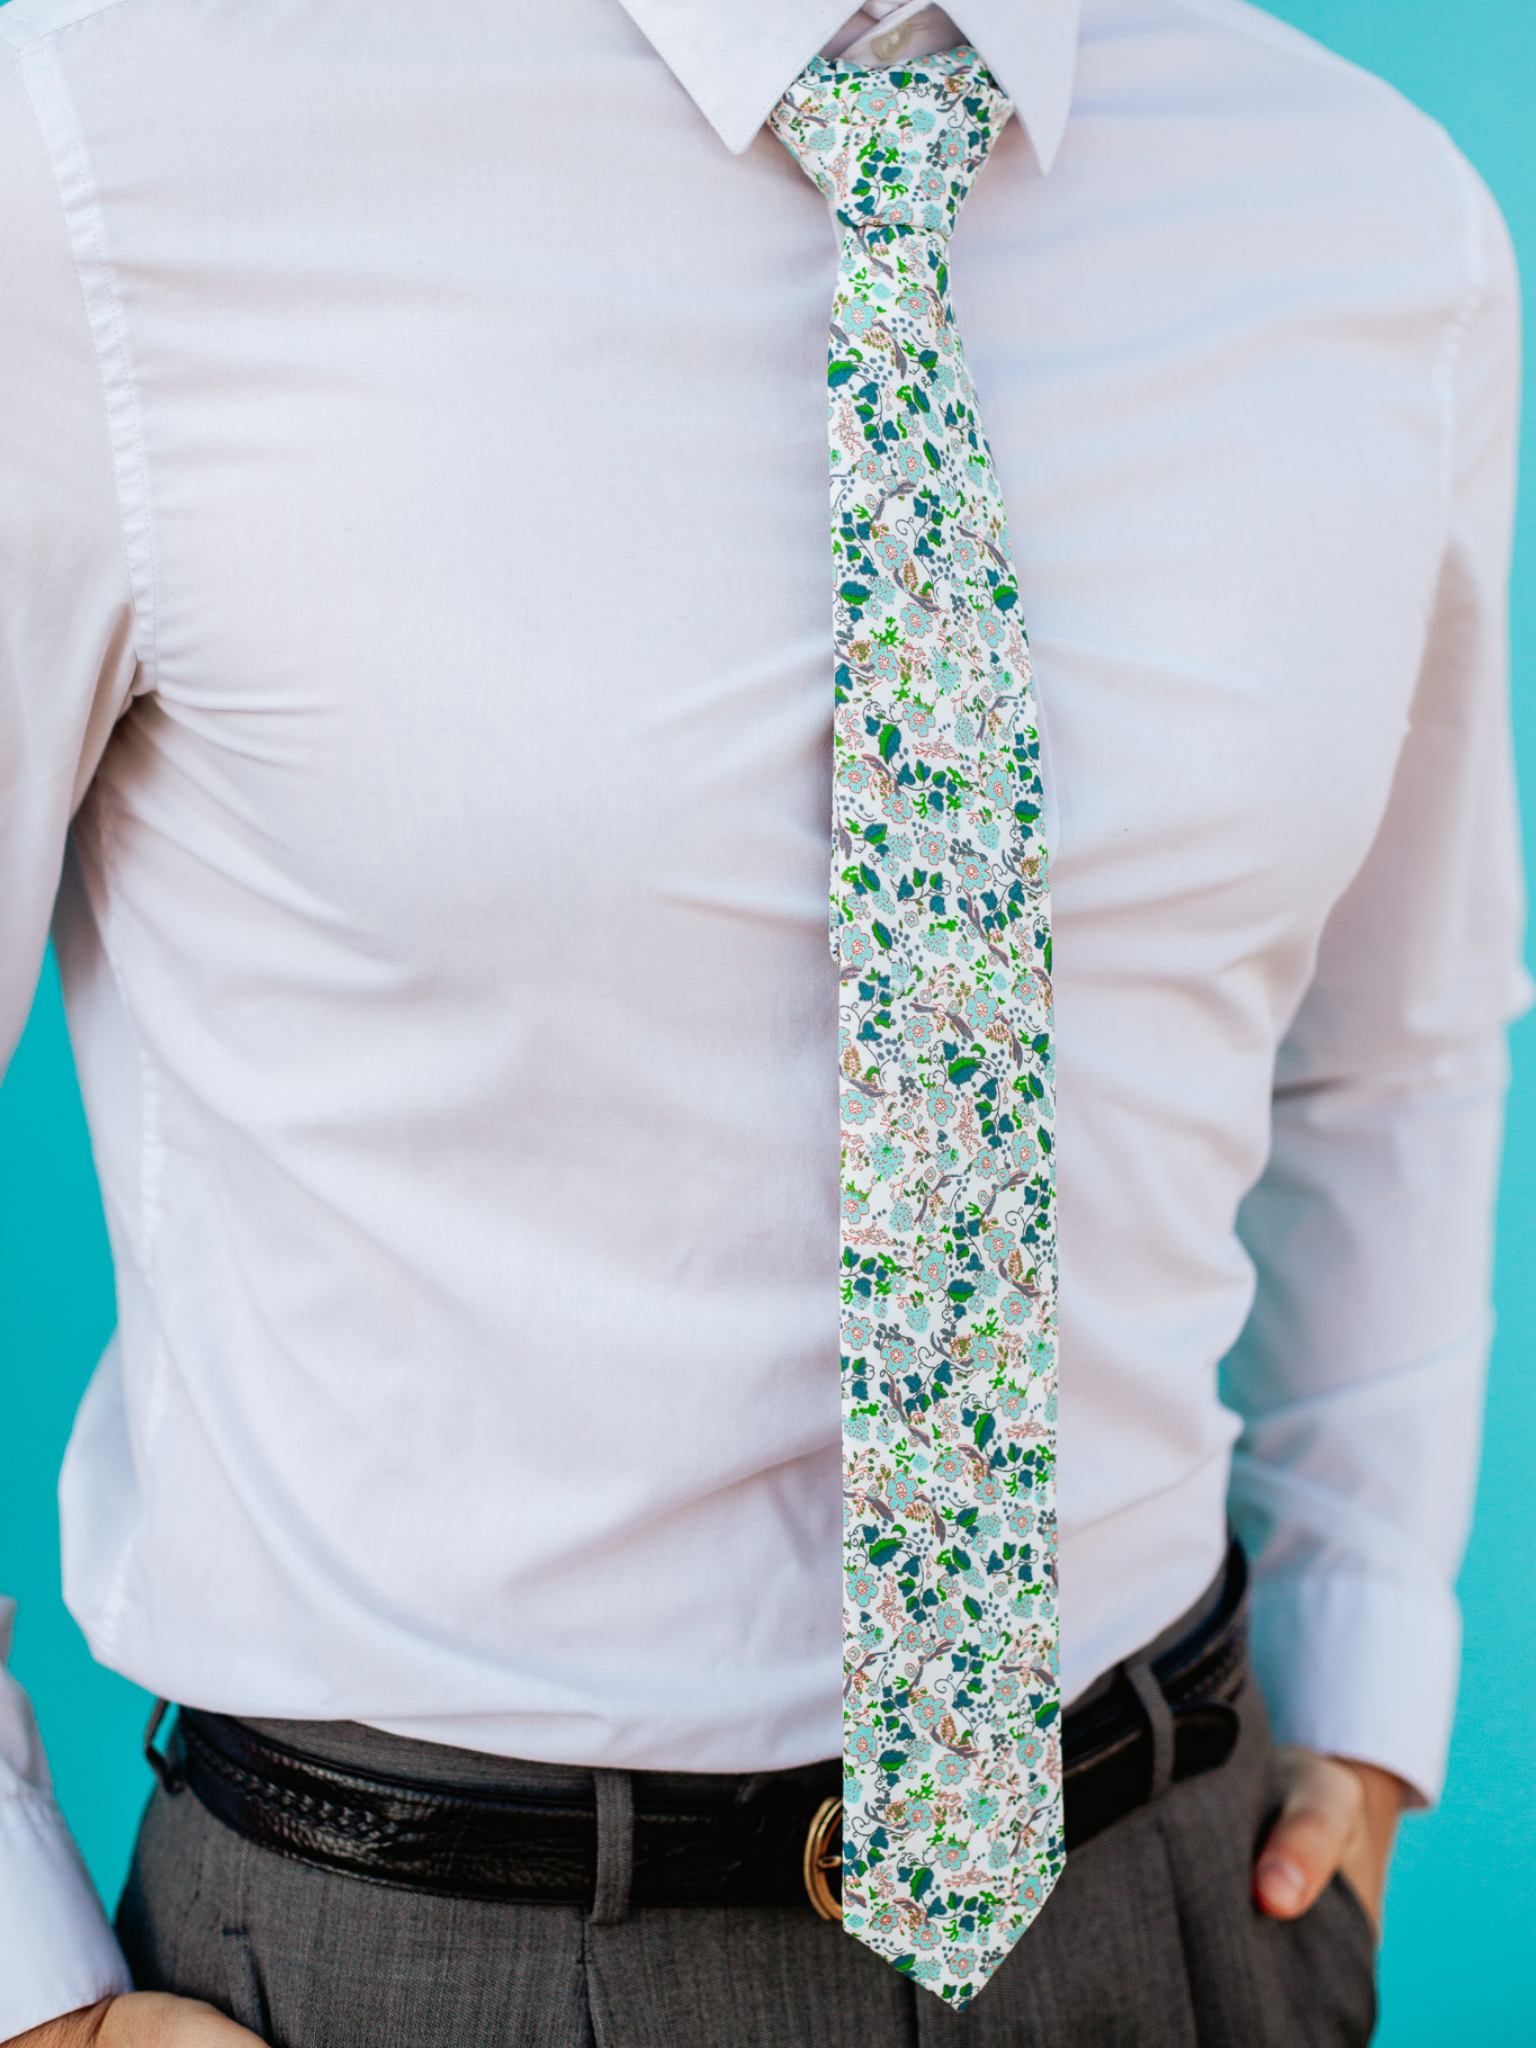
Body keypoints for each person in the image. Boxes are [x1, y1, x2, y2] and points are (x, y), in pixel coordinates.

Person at [0, 0, 1523, 2041]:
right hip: (424, 1963)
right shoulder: (108, 144)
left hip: (1183, 1905)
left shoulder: (1364, 217)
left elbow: (1398, 1032)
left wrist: (1365, 1649)